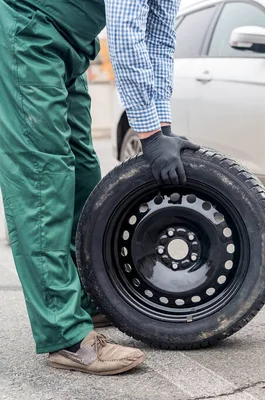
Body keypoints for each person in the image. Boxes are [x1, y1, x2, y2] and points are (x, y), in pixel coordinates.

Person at [0, 0, 147, 375]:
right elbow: (127, 35)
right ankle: (63, 333)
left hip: (74, 44)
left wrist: (160, 125)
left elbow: (157, 39)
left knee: (83, 170)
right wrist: (150, 131)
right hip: (26, 28)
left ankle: (87, 299)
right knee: (42, 175)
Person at [104, 0, 200, 185]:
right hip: (38, 35)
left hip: (75, 49)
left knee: (81, 166)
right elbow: (125, 34)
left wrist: (163, 130)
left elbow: (159, 40)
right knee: (49, 167)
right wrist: (152, 137)